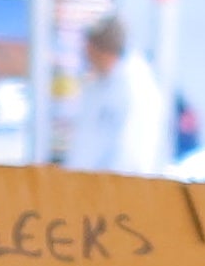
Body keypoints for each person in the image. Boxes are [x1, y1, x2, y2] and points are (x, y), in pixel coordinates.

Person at [56, 16, 170, 177]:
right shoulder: (98, 84)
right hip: (85, 187)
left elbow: (131, 156)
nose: (87, 58)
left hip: (114, 191)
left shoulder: (136, 90)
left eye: (90, 52)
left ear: (103, 52)